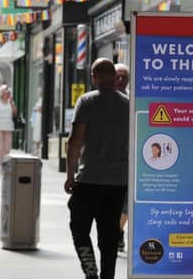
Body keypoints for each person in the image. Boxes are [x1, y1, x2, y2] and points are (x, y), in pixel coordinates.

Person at [65, 58, 129, 279]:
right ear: (114, 77)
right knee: (109, 235)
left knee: (79, 227)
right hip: (117, 182)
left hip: (89, 179)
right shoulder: (128, 105)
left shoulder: (86, 102)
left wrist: (70, 175)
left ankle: (90, 269)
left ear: (94, 77)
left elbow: (75, 141)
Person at [114, 63, 130, 252]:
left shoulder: (132, 98)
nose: (120, 79)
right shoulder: (99, 99)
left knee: (125, 204)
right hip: (107, 162)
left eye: (123, 76)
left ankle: (117, 231)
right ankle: (115, 232)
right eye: (117, 75)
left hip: (128, 161)